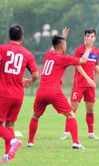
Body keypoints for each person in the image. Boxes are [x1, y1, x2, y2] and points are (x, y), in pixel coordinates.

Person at [27, 28, 91, 149]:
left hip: (41, 91)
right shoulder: (63, 58)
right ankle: (76, 142)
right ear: (62, 45)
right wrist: (88, 47)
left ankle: (30, 142)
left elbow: (54, 47)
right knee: (71, 115)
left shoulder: (48, 55)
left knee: (35, 115)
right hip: (54, 92)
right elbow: (83, 61)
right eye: (65, 43)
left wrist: (62, 37)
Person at [60, 28, 99, 140]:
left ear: (94, 38)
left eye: (92, 36)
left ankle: (91, 133)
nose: (89, 38)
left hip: (90, 86)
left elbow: (95, 66)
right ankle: (66, 132)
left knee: (90, 109)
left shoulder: (96, 51)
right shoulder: (79, 50)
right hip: (79, 84)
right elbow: (78, 65)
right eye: (87, 36)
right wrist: (87, 78)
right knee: (72, 110)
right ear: (84, 37)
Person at [0, 25, 38, 162]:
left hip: (3, 93)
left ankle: (13, 141)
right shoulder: (27, 54)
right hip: (18, 95)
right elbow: (35, 74)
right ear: (22, 38)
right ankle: (6, 156)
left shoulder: (2, 49)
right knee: (9, 126)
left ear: (9, 37)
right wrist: (29, 82)